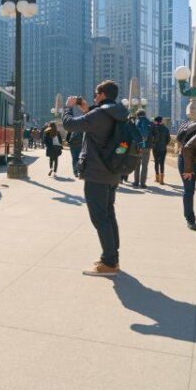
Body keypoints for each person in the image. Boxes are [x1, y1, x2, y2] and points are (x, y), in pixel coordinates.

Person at [63, 80, 129, 276]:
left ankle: (108, 263)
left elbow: (69, 125)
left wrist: (68, 108)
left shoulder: (99, 114)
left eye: (95, 94)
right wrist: (87, 109)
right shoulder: (118, 112)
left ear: (102, 95)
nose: (93, 97)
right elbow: (99, 128)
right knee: (108, 215)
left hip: (97, 173)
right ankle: (112, 257)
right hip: (111, 171)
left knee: (100, 218)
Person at [131, 109, 154, 188]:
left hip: (139, 146)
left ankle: (136, 182)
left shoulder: (139, 121)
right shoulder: (150, 122)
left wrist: (141, 144)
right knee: (145, 165)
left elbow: (142, 134)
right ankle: (143, 183)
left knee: (137, 164)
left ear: (138, 115)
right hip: (147, 147)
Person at [151, 116, 171, 184]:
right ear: (161, 121)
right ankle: (162, 180)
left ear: (155, 121)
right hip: (163, 148)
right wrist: (164, 144)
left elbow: (151, 138)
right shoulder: (166, 128)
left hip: (155, 148)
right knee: (162, 163)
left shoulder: (154, 128)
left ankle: (157, 178)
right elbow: (168, 139)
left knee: (156, 162)